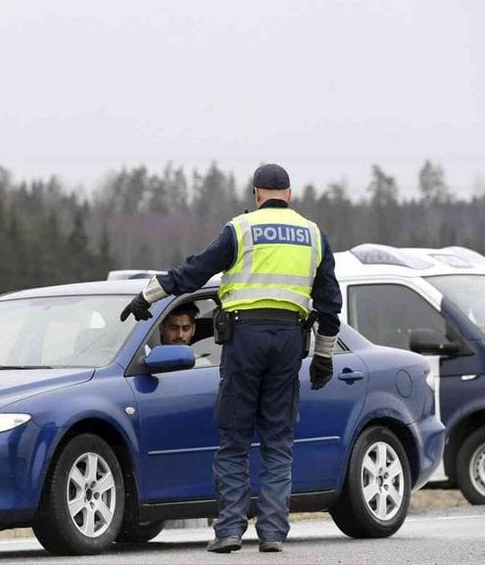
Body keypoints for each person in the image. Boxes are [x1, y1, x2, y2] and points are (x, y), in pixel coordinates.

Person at [119, 163, 341, 554]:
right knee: (278, 439)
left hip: (244, 340)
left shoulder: (240, 229)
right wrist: (323, 358)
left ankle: (229, 531)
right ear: (289, 193)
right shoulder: (314, 235)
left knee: (235, 438)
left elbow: (193, 271)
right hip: (289, 340)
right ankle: (272, 534)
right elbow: (329, 305)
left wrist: (147, 296)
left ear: (256, 193)